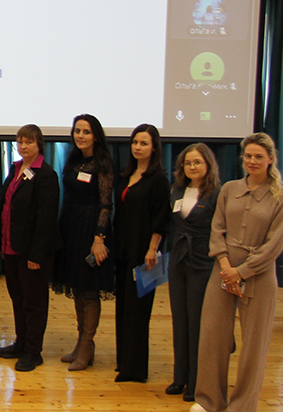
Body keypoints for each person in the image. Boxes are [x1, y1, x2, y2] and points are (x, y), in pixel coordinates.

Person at [192, 133, 283, 412]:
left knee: (254, 345)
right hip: (222, 271)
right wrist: (226, 267)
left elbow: (275, 245)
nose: (252, 161)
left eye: (259, 156)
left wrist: (242, 272)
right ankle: (209, 401)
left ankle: (243, 406)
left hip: (259, 275)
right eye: (248, 156)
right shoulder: (229, 189)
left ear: (270, 159)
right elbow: (217, 230)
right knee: (212, 337)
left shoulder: (282, 197)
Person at [50, 114, 115, 371]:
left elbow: (106, 205)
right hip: (71, 226)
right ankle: (81, 343)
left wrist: (99, 238)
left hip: (91, 231)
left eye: (86, 131)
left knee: (89, 290)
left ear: (96, 135)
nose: (80, 135)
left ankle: (87, 346)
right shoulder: (74, 160)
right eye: (77, 131)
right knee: (77, 288)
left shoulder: (103, 163)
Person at [0, 124, 61, 372]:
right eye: (20, 142)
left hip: (32, 252)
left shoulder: (46, 175)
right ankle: (21, 343)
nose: (23, 146)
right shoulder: (15, 169)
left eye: (29, 142)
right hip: (11, 247)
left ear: (39, 144)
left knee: (34, 303)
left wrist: (37, 255)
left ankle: (34, 352)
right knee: (18, 298)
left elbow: (46, 219)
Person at [113, 123, 170, 383]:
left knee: (138, 311)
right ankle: (124, 362)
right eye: (135, 142)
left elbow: (161, 218)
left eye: (144, 143)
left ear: (154, 147)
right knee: (124, 308)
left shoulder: (158, 179)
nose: (138, 147)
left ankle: (135, 370)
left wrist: (152, 249)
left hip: (143, 252)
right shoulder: (127, 175)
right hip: (123, 249)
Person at [166, 143, 220, 402]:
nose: (192, 167)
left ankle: (196, 381)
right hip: (178, 262)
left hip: (202, 262)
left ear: (208, 164)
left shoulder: (216, 194)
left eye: (197, 162)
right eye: (187, 163)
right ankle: (180, 377)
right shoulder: (176, 190)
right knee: (180, 320)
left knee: (197, 323)